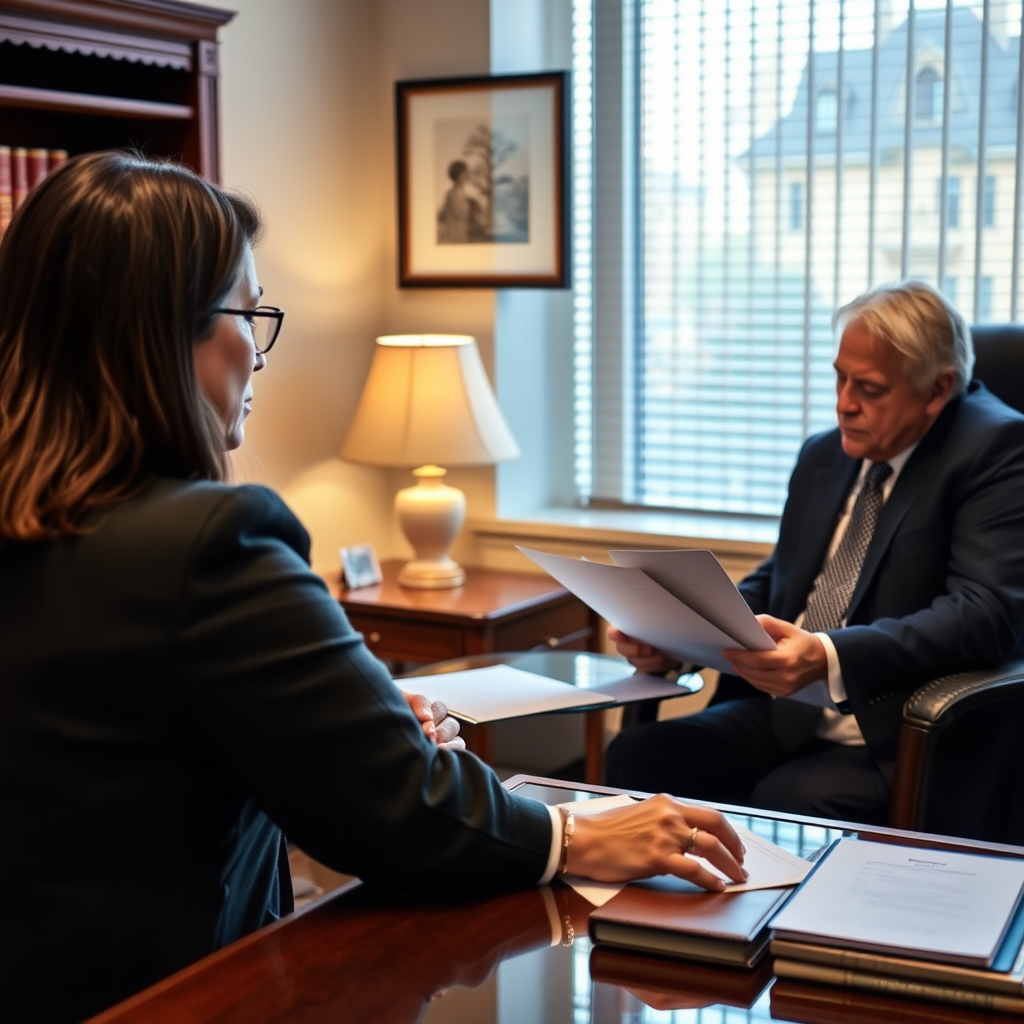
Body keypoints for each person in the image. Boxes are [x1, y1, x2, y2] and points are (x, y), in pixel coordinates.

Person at [0, 151, 745, 1024]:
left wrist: (343, 723)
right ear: (167, 332)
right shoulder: (214, 541)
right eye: (250, 313)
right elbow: (403, 812)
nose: (260, 356)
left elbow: (134, 757)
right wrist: (576, 832)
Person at [607, 281, 1024, 830]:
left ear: (937, 389)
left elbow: (984, 613)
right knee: (638, 756)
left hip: (895, 731)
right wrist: (677, 636)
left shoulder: (997, 448)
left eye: (869, 388)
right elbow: (782, 579)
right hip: (786, 711)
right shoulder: (825, 452)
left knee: (788, 798)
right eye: (840, 377)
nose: (844, 403)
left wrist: (828, 656)